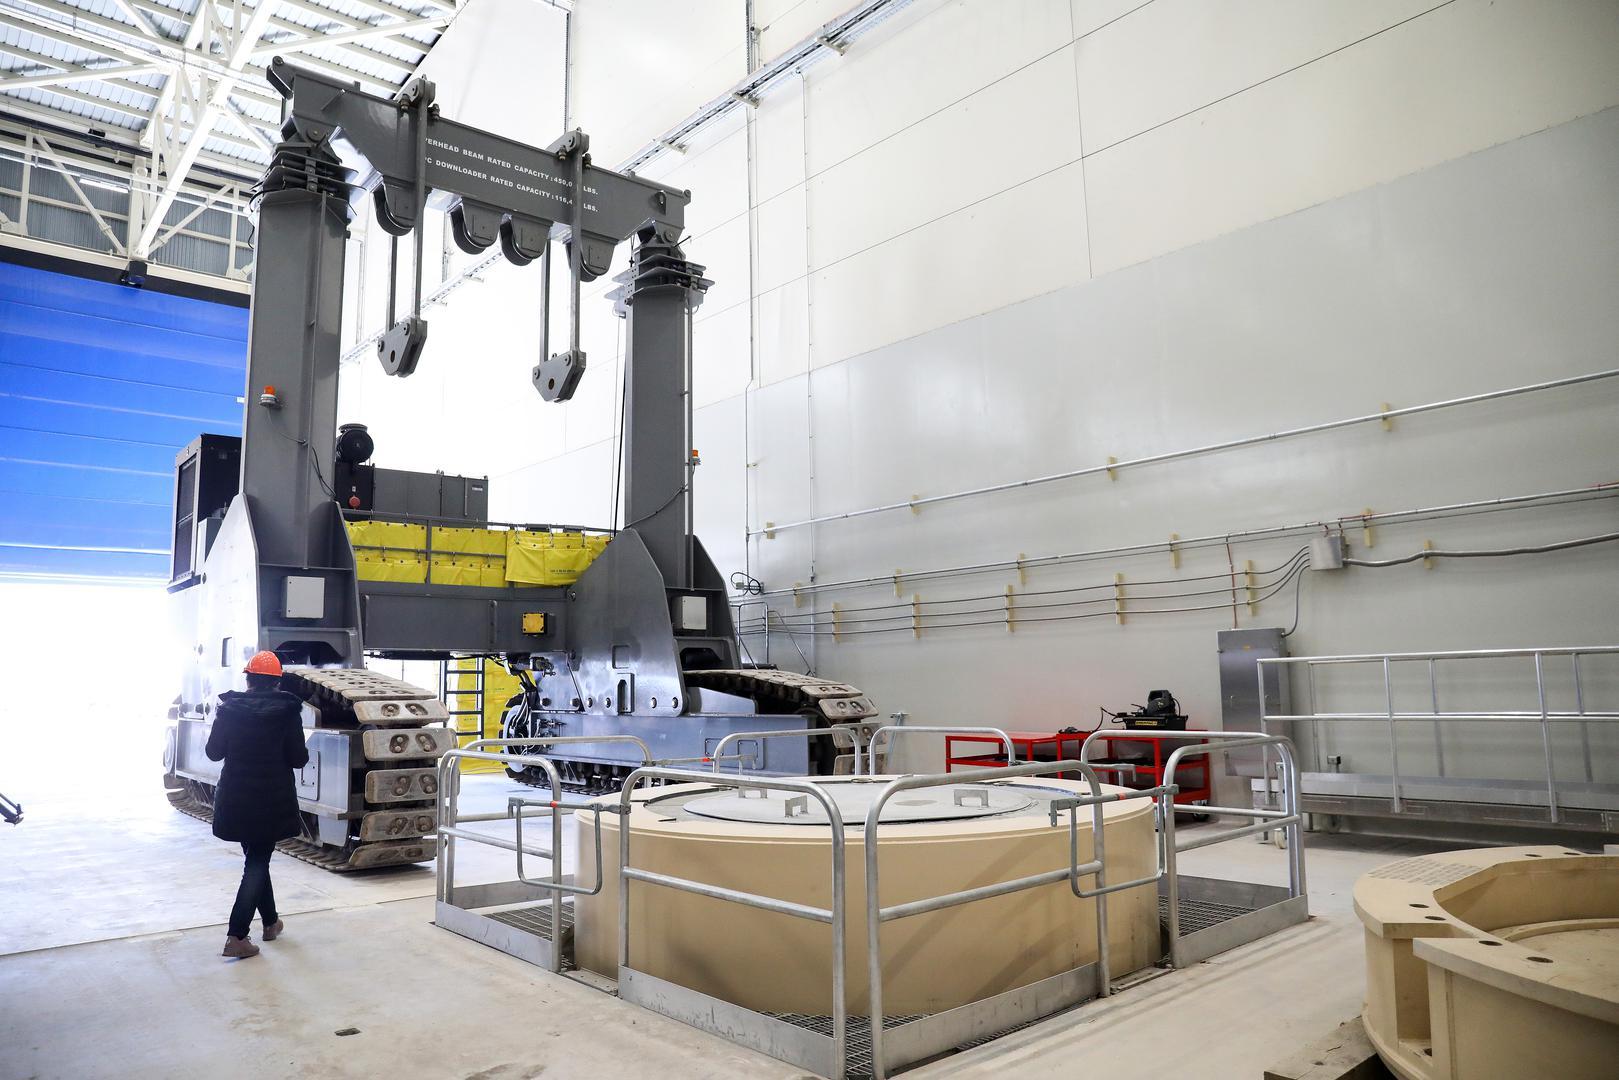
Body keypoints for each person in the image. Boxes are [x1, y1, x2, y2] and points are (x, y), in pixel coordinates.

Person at [206, 650, 310, 959]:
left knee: (256, 858)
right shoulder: (287, 712)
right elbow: (298, 759)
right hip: (271, 800)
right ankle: (237, 935)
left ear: (248, 680)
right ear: (277, 682)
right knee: (257, 861)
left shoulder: (229, 710)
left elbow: (213, 752)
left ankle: (270, 922)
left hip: (236, 797)